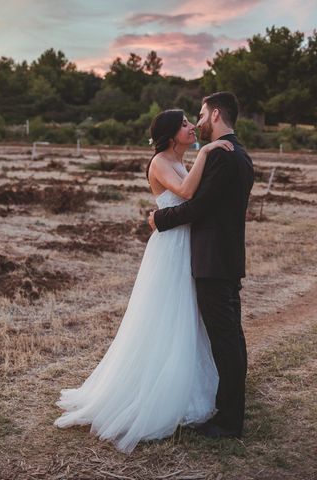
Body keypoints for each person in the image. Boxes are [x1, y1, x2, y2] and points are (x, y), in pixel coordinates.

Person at [54, 109, 234, 453]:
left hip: (187, 245)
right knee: (166, 315)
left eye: (190, 122)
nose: (191, 127)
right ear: (169, 134)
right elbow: (185, 191)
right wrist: (209, 152)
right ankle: (152, 393)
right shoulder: (160, 162)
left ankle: (188, 388)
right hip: (170, 248)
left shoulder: (181, 159)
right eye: (184, 125)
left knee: (188, 316)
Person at [149, 92, 254, 439]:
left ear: (216, 115)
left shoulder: (222, 156)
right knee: (225, 336)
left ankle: (229, 419)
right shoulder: (239, 154)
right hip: (217, 256)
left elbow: (197, 207)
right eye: (188, 120)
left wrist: (159, 218)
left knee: (224, 339)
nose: (197, 121)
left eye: (201, 114)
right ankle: (227, 406)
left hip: (212, 259)